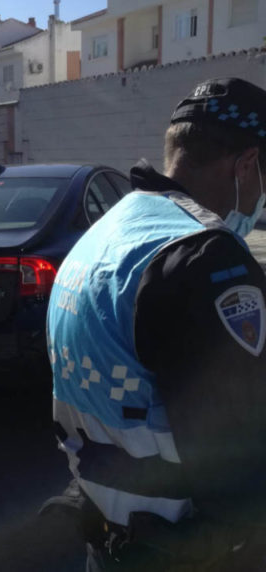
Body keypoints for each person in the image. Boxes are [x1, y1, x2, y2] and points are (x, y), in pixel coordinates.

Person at [45, 77, 266, 570]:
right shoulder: (204, 257)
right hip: (190, 545)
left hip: (109, 527)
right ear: (246, 164)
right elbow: (238, 440)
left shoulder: (108, 231)